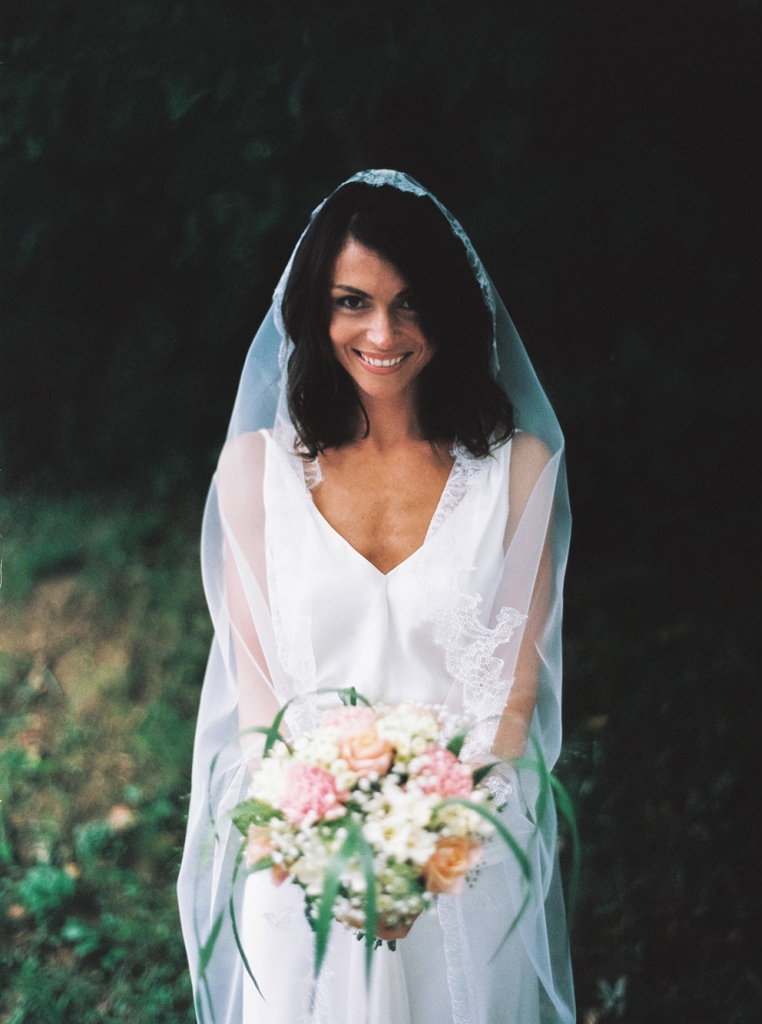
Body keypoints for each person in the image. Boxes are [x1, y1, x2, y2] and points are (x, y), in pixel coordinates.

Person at [178, 170, 575, 1024]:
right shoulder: (257, 473)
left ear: (451, 312)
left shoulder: (517, 471)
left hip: (462, 858)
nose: (382, 332)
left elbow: (514, 697)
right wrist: (324, 848)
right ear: (316, 314)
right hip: (303, 862)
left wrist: (425, 843)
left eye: (409, 304)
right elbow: (258, 703)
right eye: (352, 302)